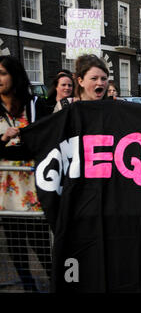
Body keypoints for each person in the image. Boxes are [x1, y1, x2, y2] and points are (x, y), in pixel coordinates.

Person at [0, 55, 52, 292]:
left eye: (2, 73)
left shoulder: (34, 105)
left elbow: (45, 140)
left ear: (15, 76)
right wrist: (4, 139)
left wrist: (18, 143)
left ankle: (56, 281)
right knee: (15, 242)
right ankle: (29, 286)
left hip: (32, 185)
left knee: (41, 242)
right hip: (5, 188)